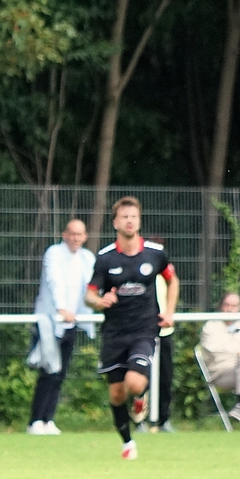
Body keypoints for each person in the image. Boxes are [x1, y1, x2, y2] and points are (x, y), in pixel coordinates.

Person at [85, 197, 178, 460]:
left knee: (134, 383)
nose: (130, 221)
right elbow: (89, 295)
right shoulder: (105, 258)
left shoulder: (155, 253)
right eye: (124, 217)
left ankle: (140, 398)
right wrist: (99, 301)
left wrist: (169, 311)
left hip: (144, 330)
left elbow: (172, 280)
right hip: (114, 333)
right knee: (116, 394)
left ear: (139, 221)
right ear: (115, 223)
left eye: (134, 217)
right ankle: (127, 442)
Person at [26, 219, 96, 436]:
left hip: (70, 324)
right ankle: (36, 420)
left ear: (85, 237)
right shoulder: (54, 253)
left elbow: (93, 286)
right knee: (48, 370)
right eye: (72, 234)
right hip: (49, 322)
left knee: (60, 373)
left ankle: (48, 419)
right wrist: (61, 309)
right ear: (65, 235)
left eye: (80, 234)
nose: (75, 238)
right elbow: (54, 281)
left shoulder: (87, 258)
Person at [199, 292, 240, 421]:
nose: (230, 309)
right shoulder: (210, 327)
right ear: (221, 306)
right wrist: (238, 350)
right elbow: (214, 350)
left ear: (239, 308)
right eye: (227, 305)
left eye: (234, 306)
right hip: (220, 373)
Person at [148, 269, 176, 433]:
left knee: (165, 378)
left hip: (164, 332)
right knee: (140, 377)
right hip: (141, 332)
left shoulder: (163, 269)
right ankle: (139, 420)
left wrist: (169, 314)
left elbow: (173, 283)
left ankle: (163, 419)